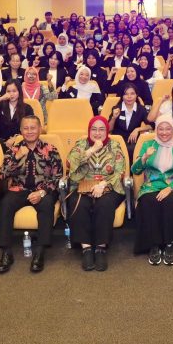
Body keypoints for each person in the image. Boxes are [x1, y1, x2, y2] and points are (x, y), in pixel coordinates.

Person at [0, 116, 63, 274]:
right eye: (25, 128)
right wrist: (17, 157)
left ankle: (40, 251)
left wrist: (42, 192)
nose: (29, 131)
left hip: (43, 189)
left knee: (46, 204)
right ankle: (6, 252)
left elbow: (58, 176)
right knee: (6, 204)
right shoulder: (14, 150)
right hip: (19, 189)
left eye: (33, 128)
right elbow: (2, 174)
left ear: (40, 129)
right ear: (20, 130)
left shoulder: (50, 149)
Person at [66, 116, 126, 271]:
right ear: (89, 130)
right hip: (83, 185)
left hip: (109, 185)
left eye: (101, 129)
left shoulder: (115, 145)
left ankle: (100, 248)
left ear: (107, 131)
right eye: (94, 129)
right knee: (77, 203)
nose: (97, 133)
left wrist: (103, 184)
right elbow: (71, 163)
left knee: (104, 204)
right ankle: (86, 248)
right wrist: (91, 149)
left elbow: (120, 171)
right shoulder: (81, 144)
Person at [131, 115, 173, 265]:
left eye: (168, 129)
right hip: (151, 185)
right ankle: (154, 244)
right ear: (156, 130)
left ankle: (169, 244)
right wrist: (144, 157)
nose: (164, 132)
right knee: (148, 201)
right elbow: (135, 170)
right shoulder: (148, 144)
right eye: (160, 129)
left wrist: (170, 188)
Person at [109, 83, 152, 160]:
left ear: (136, 95)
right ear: (122, 96)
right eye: (126, 94)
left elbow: (151, 125)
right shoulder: (116, 108)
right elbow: (109, 129)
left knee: (134, 150)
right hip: (117, 141)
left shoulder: (141, 109)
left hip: (132, 142)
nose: (129, 97)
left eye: (132, 94)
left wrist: (137, 129)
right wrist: (113, 118)